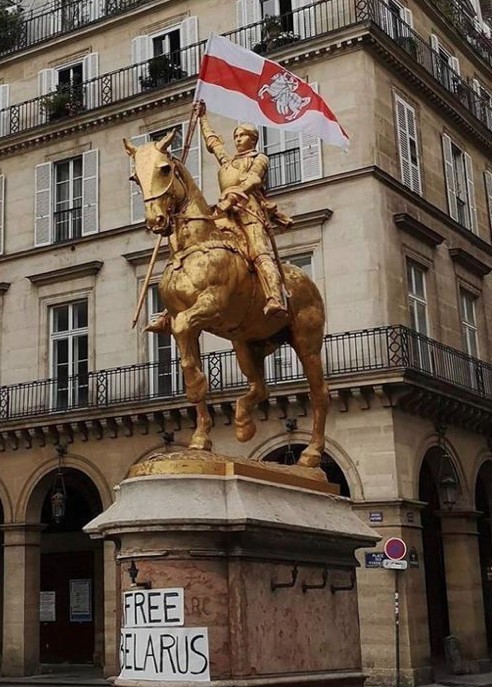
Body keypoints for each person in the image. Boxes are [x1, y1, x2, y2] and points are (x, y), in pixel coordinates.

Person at [196, 101, 292, 318]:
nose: (238, 139)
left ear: (253, 138)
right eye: (236, 136)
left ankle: (274, 297)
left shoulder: (259, 158)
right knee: (200, 248)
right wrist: (202, 118)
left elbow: (254, 179)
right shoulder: (229, 162)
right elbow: (213, 144)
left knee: (259, 252)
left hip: (249, 212)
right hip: (225, 214)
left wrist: (231, 197)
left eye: (242, 135)